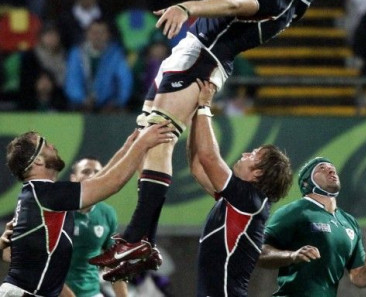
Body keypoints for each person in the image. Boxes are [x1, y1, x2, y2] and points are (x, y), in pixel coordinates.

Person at [90, 0, 366, 280]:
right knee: (146, 134)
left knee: (158, 136)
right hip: (203, 57)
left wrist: (189, 7)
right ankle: (131, 232)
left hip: (201, 56)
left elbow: (234, 6)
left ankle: (138, 237)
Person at [0, 124, 174, 297]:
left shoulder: (39, 195)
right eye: (44, 144)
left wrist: (126, 150)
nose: (52, 146)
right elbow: (111, 183)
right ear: (37, 160)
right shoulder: (46, 194)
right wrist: (143, 143)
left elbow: (96, 182)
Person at [159, 79, 292, 295]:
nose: (245, 154)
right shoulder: (237, 201)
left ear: (259, 172)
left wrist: (204, 106)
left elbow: (209, 157)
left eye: (254, 155)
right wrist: (195, 116)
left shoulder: (250, 201)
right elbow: (197, 166)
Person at [257, 157, 366, 296]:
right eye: (321, 168)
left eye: (332, 168)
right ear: (306, 182)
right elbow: (259, 252)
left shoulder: (349, 222)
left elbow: (358, 276)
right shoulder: (294, 211)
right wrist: (292, 255)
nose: (330, 169)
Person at [63, 157, 129, 297]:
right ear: (73, 178)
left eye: (97, 172)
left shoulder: (107, 213)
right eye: (86, 171)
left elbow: (114, 262)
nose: (92, 176)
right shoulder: (58, 210)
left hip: (92, 293)